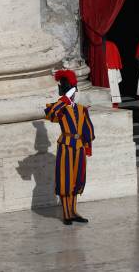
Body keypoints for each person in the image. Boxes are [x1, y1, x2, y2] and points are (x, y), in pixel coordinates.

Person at [44, 69, 95, 226]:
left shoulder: (81, 109)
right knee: (66, 180)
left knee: (77, 179)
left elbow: (87, 129)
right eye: (71, 92)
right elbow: (50, 114)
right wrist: (63, 100)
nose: (73, 95)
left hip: (78, 147)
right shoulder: (61, 107)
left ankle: (73, 211)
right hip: (66, 146)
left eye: (73, 93)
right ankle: (66, 213)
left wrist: (87, 147)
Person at [104, 39, 123, 108]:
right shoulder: (112, 44)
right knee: (114, 90)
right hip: (113, 70)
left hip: (104, 71)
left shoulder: (99, 46)